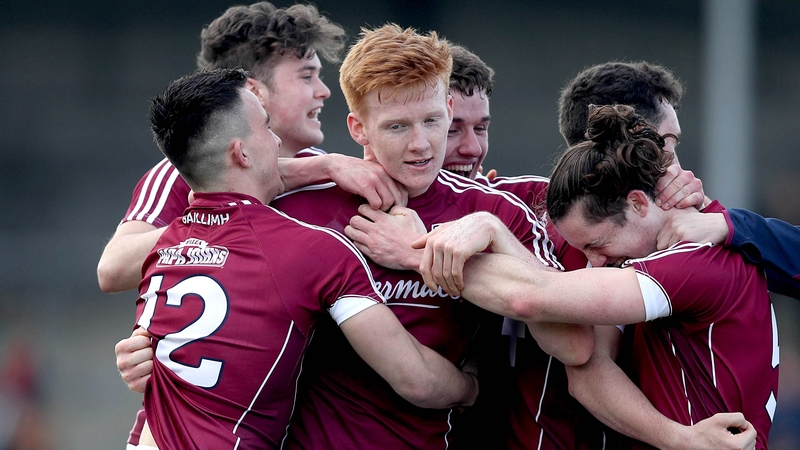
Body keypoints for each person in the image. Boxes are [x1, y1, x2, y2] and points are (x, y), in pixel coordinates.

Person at [132, 67, 478, 449]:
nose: (277, 141)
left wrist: (326, 165)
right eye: (266, 127)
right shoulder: (313, 249)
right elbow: (416, 379)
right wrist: (471, 387)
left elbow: (150, 360)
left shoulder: (160, 252)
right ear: (241, 152)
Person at [406, 104, 775, 449]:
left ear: (637, 203)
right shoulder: (657, 251)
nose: (595, 263)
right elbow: (586, 371)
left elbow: (531, 297)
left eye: (598, 244)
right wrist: (677, 437)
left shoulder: (696, 260)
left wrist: (416, 251)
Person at [97, 1, 405, 294]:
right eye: (307, 76)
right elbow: (113, 269)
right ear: (253, 92)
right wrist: (213, 217)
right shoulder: (187, 167)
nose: (324, 92)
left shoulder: (334, 171)